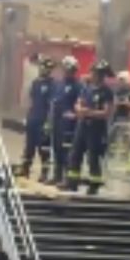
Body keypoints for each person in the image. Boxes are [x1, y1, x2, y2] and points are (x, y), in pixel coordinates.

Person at [62, 60, 115, 196]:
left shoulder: (107, 92)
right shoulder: (86, 88)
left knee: (93, 157)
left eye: (96, 73)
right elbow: (78, 103)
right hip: (82, 126)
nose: (93, 75)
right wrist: (79, 109)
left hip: (96, 128)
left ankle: (94, 185)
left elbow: (106, 112)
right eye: (93, 72)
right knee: (75, 153)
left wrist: (89, 112)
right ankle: (72, 182)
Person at [18, 57, 56, 181]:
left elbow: (52, 105)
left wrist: (49, 122)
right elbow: (31, 101)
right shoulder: (35, 83)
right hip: (33, 118)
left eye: (47, 68)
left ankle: (44, 173)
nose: (44, 70)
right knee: (29, 146)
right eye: (43, 67)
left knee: (43, 148)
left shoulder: (52, 84)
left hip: (43, 120)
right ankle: (25, 169)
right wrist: (27, 117)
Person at [48, 57, 84, 187]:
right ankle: (57, 176)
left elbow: (81, 103)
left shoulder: (78, 86)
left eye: (69, 69)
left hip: (69, 125)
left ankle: (66, 178)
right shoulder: (59, 84)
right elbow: (54, 101)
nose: (66, 71)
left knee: (67, 151)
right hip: (57, 121)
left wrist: (74, 114)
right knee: (56, 148)